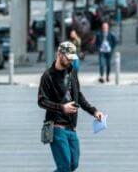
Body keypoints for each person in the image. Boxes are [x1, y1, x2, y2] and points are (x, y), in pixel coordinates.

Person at [38, 41, 103, 172]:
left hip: (71, 128)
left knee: (73, 164)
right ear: (59, 54)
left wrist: (94, 111)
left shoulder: (72, 72)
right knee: (64, 167)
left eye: (72, 58)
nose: (71, 61)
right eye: (68, 57)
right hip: (56, 128)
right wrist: (62, 107)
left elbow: (78, 95)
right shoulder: (48, 76)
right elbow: (41, 101)